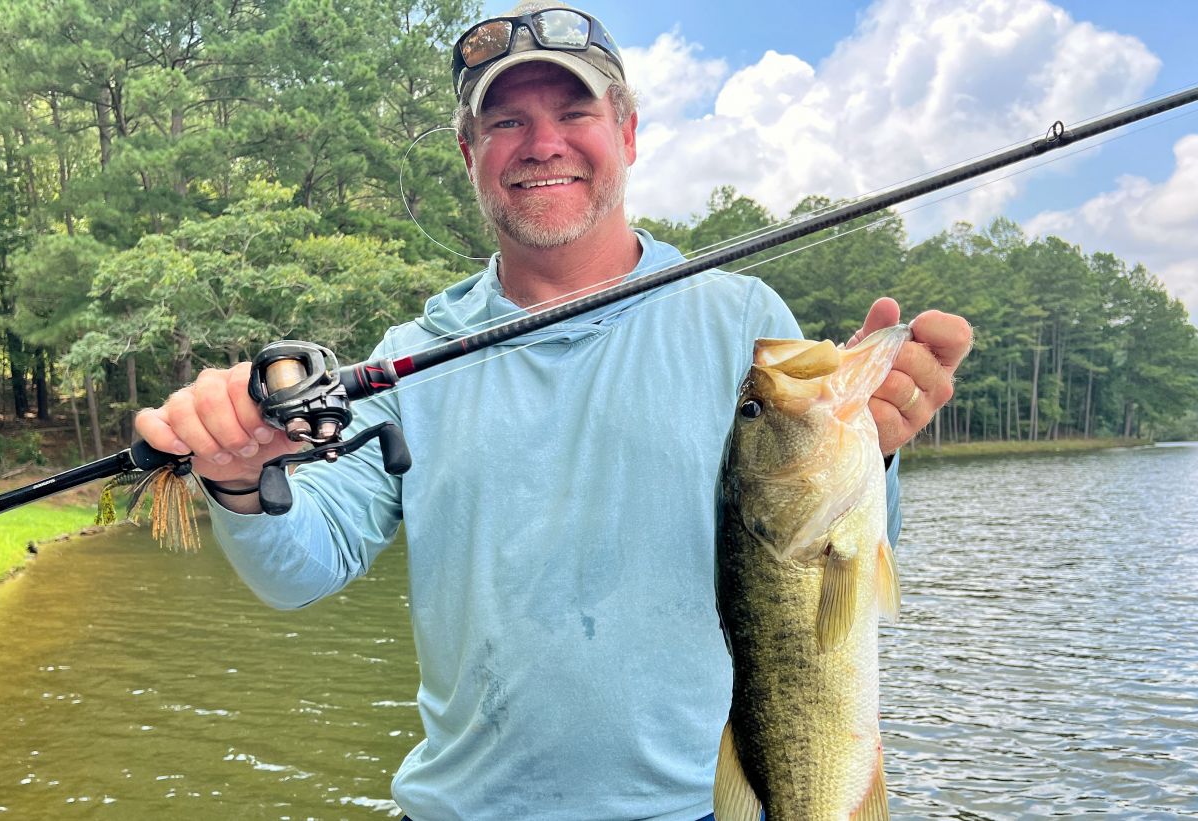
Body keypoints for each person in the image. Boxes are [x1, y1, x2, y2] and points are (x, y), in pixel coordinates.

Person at [135, 3, 972, 818]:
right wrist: (242, 482)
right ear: (468, 153)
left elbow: (836, 556)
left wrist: (879, 445)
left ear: (628, 135)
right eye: (505, 123)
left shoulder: (745, 325)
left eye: (574, 110)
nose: (543, 144)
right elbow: (301, 568)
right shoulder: (411, 357)